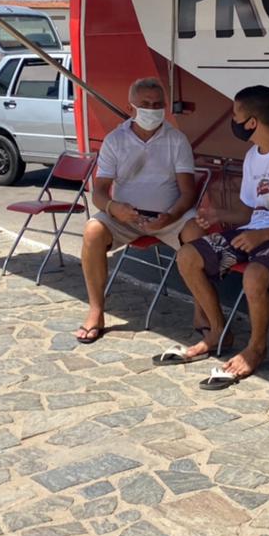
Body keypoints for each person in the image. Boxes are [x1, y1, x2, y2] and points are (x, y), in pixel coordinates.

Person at [174, 85, 269, 388]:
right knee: (188, 256)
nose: (232, 119)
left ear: (252, 122)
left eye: (235, 114)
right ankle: (218, 331)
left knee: (254, 276)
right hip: (257, 232)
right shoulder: (253, 156)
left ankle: (256, 349)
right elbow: (250, 213)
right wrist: (221, 217)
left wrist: (264, 235)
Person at [77, 77, 204, 344]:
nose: (152, 109)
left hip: (170, 218)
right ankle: (96, 311)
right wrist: (114, 208)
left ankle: (202, 312)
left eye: (158, 104)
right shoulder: (115, 140)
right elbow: (98, 191)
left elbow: (188, 192)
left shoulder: (177, 140)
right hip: (124, 217)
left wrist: (170, 216)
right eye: (145, 104)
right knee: (92, 231)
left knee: (196, 233)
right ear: (131, 106)